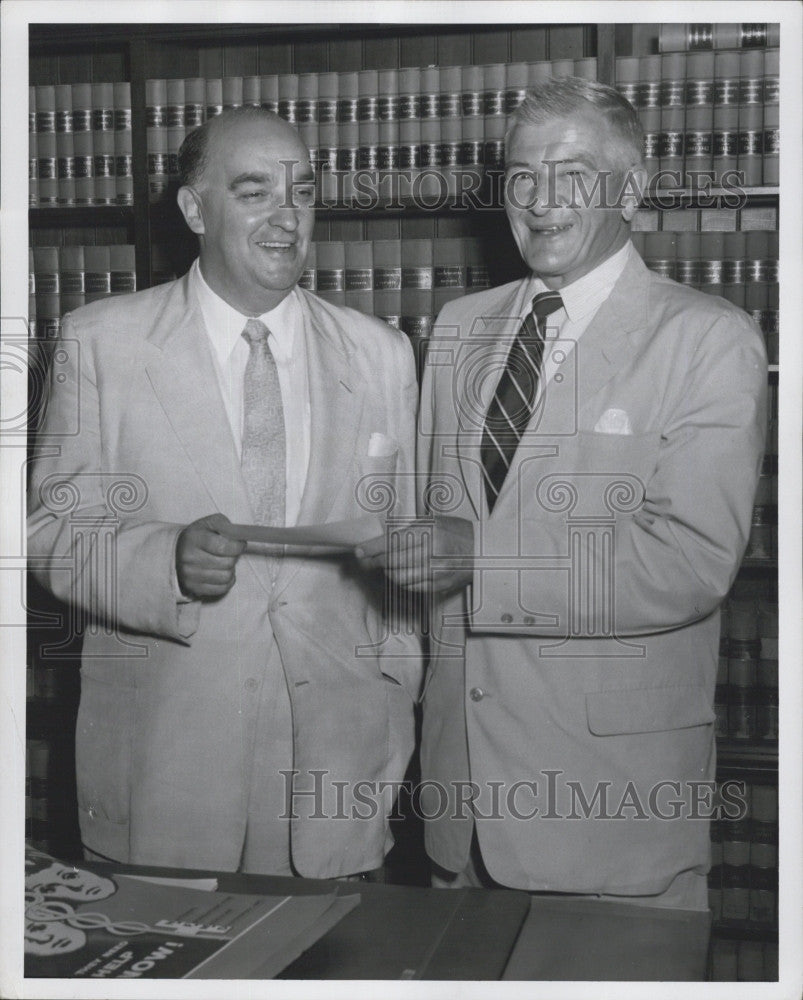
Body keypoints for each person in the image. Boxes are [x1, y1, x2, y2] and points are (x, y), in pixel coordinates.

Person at [358, 77, 767, 908]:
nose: (540, 200)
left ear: (633, 186)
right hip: (460, 810)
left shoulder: (708, 339)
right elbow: (429, 539)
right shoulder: (460, 329)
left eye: (572, 174)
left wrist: (481, 558)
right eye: (520, 176)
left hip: (611, 815)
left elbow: (686, 563)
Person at [27, 107, 421, 878]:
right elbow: (48, 532)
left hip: (334, 778)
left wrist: (396, 699)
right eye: (253, 191)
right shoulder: (99, 341)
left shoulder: (383, 354)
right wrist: (162, 560)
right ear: (194, 209)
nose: (286, 217)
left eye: (302, 191)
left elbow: (400, 561)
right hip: (165, 773)